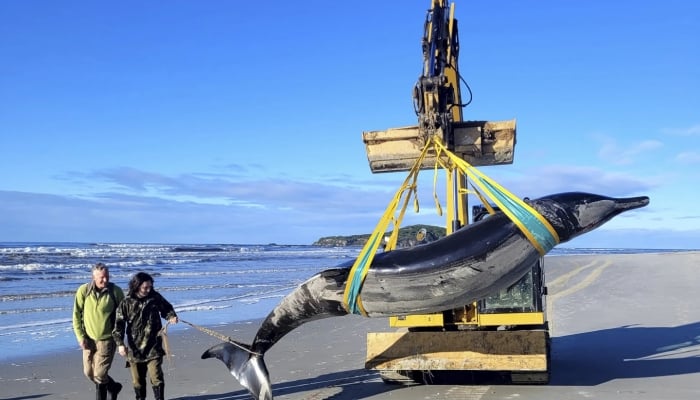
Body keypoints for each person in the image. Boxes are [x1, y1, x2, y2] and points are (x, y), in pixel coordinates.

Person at [113, 272, 178, 400]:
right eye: (145, 287)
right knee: (138, 380)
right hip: (135, 349)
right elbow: (118, 325)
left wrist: (171, 316)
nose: (148, 290)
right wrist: (120, 344)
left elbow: (166, 308)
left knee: (156, 376)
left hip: (154, 345)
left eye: (150, 287)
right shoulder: (126, 302)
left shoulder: (154, 297)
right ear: (137, 286)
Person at [72, 262, 125, 400]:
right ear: (93, 277)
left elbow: (124, 317)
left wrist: (121, 342)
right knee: (89, 373)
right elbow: (76, 315)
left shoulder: (115, 291)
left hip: (107, 340)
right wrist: (80, 337)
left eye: (107, 276)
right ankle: (113, 387)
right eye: (102, 277)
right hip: (88, 340)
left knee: (100, 374)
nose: (105, 280)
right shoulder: (83, 291)